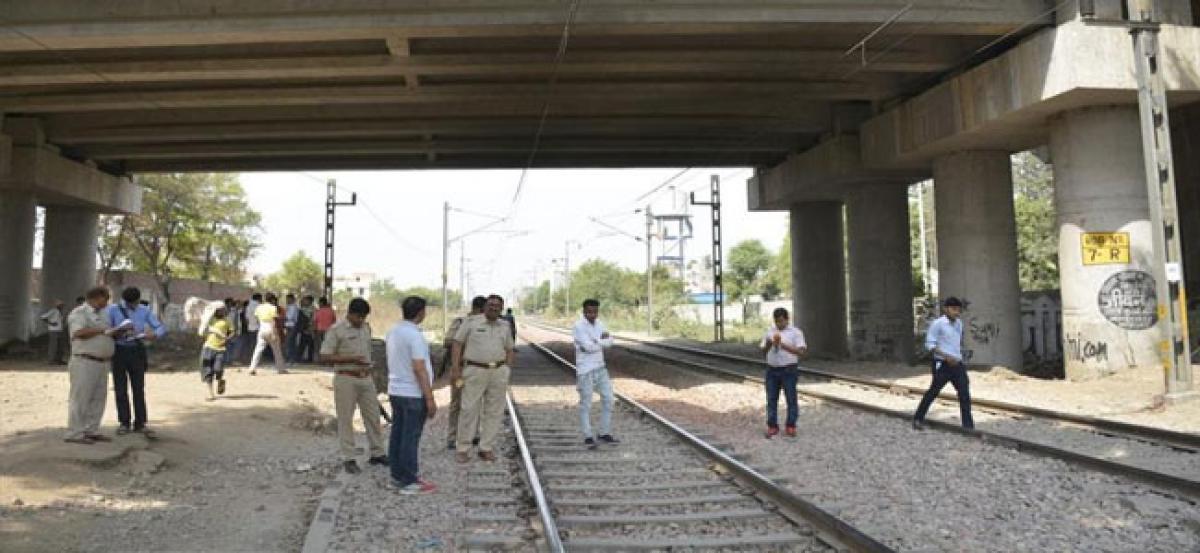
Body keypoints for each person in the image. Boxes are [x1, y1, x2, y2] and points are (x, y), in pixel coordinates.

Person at [321, 298, 387, 474]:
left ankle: (377, 453)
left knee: (373, 416)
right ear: (350, 313)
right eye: (358, 317)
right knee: (346, 419)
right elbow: (325, 356)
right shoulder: (337, 330)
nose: (361, 321)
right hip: (346, 378)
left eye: (363, 317)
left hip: (366, 378)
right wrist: (350, 359)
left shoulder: (366, 328)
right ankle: (349, 457)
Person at [450, 295, 514, 463]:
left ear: (501, 309)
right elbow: (457, 344)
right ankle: (463, 448)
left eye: (497, 306)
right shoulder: (471, 322)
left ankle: (486, 448)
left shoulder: (505, 326)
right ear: (485, 306)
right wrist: (456, 368)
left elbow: (509, 348)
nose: (493, 308)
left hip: (498, 371)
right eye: (490, 305)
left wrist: (507, 368)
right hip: (474, 370)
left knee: (494, 411)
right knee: (468, 409)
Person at [385, 296, 438, 494]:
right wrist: (430, 398)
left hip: (396, 390)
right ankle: (409, 480)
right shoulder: (415, 336)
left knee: (397, 434)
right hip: (413, 394)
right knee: (410, 437)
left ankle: (397, 475)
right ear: (421, 312)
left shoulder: (393, 331)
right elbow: (419, 367)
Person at [106, 287, 167, 436]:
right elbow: (106, 330)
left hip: (137, 351)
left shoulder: (144, 310)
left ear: (139, 300)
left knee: (138, 389)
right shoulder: (113, 310)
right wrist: (118, 330)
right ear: (124, 301)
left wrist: (153, 335)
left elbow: (160, 327)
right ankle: (124, 423)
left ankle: (140, 423)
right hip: (119, 351)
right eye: (129, 304)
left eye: (134, 303)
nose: (132, 307)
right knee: (120, 389)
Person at [64, 287, 120, 445]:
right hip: (84, 361)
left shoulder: (104, 314)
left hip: (102, 362)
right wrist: (101, 330)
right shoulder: (79, 313)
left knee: (98, 398)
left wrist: (116, 332)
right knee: (81, 398)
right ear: (95, 297)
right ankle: (74, 432)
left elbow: (105, 332)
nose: (107, 301)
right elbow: (78, 332)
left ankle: (91, 429)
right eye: (105, 298)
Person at [913, 297, 975, 430]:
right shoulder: (938, 324)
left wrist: (958, 357)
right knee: (933, 392)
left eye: (958, 310)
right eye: (953, 309)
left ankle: (968, 426)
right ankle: (918, 418)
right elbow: (930, 345)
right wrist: (945, 356)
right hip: (942, 363)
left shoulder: (959, 323)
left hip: (957, 363)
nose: (956, 312)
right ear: (946, 309)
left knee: (964, 393)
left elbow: (956, 342)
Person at [572, 299, 618, 450]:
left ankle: (603, 432)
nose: (592, 314)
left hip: (600, 367)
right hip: (585, 369)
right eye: (589, 311)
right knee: (586, 403)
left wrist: (596, 342)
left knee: (609, 399)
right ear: (584, 311)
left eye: (595, 311)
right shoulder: (578, 326)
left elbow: (610, 341)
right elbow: (587, 347)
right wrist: (600, 341)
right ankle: (588, 436)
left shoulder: (600, 324)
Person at [444, 295, 486, 450]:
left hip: (477, 371)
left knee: (475, 403)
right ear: (478, 309)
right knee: (457, 403)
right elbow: (448, 341)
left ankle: (472, 434)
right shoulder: (461, 322)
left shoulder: (486, 324)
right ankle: (452, 436)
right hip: (460, 370)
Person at [759, 307, 807, 439]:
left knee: (791, 398)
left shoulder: (796, 332)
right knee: (771, 399)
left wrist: (782, 345)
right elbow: (763, 351)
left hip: (789, 369)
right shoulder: (770, 332)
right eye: (776, 321)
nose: (779, 324)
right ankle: (772, 425)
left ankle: (791, 425)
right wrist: (769, 344)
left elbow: (801, 352)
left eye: (781, 321)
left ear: (787, 319)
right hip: (772, 369)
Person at [248, 293, 288, 375]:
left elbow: (256, 318)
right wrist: (274, 333)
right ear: (272, 300)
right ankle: (281, 369)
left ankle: (252, 368)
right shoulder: (273, 308)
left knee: (258, 350)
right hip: (271, 328)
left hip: (262, 328)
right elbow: (273, 320)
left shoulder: (259, 307)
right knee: (277, 351)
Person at [201, 306, 232, 401]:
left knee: (218, 369)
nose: (220, 312)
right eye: (218, 310)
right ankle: (211, 394)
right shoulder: (209, 320)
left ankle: (220, 380)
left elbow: (232, 332)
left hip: (220, 349)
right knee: (208, 371)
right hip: (208, 348)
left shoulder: (227, 321)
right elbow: (203, 330)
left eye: (222, 310)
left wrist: (226, 339)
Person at [40, 299, 67, 365]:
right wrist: (51, 323)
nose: (62, 306)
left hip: (60, 330)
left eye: (62, 305)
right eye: (61, 305)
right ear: (58, 305)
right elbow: (43, 317)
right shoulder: (53, 311)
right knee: (53, 346)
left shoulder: (60, 312)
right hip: (53, 331)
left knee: (60, 346)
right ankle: (51, 360)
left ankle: (59, 360)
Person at [242, 294, 262, 364]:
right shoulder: (258, 306)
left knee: (250, 344)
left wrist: (249, 325)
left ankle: (249, 359)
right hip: (257, 327)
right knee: (257, 345)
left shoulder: (248, 306)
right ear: (258, 298)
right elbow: (259, 317)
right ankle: (255, 360)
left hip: (250, 327)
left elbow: (246, 318)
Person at [297, 295, 316, 363]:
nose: (304, 301)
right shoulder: (302, 309)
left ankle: (309, 358)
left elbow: (313, 319)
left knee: (310, 344)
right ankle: (299, 358)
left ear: (310, 301)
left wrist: (310, 328)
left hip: (310, 329)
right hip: (303, 329)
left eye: (306, 300)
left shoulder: (313, 309)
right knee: (302, 344)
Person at [284, 293, 299, 366]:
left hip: (292, 326)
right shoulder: (288, 306)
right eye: (286, 299)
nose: (287, 300)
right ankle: (292, 359)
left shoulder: (293, 307)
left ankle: (291, 359)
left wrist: (283, 317)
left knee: (289, 343)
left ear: (292, 299)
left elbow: (290, 317)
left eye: (288, 299)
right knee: (291, 343)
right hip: (288, 326)